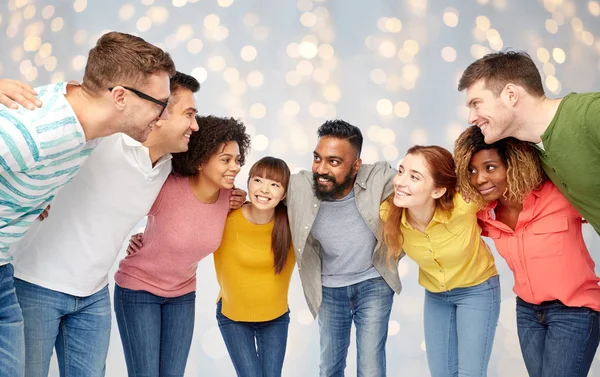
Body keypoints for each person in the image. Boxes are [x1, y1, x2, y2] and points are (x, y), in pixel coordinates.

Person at [0, 72, 246, 377]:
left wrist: (233, 196)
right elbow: (77, 100)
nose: (194, 125)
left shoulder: (171, 169)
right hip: (35, 285)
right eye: (189, 114)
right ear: (160, 112)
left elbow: (190, 202)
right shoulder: (107, 139)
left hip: (94, 295)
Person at [0, 31, 175, 377]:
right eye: (160, 104)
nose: (164, 116)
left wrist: (38, 197)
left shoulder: (88, 122)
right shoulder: (30, 134)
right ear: (121, 96)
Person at [454, 125, 600, 377]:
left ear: (513, 163)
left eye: (490, 167)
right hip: (528, 313)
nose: (479, 179)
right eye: (472, 171)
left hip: (575, 311)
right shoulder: (482, 214)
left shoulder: (559, 195)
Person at [114, 115, 251, 377]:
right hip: (138, 290)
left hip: (182, 295)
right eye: (226, 160)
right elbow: (122, 207)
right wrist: (139, 234)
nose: (235, 167)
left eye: (237, 160)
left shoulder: (230, 198)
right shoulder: (167, 185)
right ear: (200, 161)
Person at [285, 120, 401, 377]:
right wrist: (238, 198)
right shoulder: (300, 187)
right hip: (329, 289)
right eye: (317, 158)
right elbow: (265, 189)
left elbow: (418, 182)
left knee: (371, 368)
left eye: (334, 162)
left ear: (355, 165)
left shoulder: (378, 178)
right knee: (330, 368)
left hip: (374, 284)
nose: (321, 169)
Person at [381, 145, 499, 377]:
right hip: (436, 296)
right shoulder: (388, 213)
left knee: (470, 374)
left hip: (478, 290)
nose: (401, 182)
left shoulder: (464, 205)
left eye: (414, 177)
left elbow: (504, 189)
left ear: (437, 191)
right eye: (401, 171)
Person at [458, 50, 600, 235]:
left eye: (476, 104)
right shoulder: (533, 154)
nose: (471, 118)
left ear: (510, 94)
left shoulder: (591, 114)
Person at [214, 156, 295, 377]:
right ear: (247, 182)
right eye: (258, 180)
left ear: (285, 193)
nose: (264, 189)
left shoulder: (292, 226)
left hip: (276, 318)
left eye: (275, 184)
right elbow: (191, 218)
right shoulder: (226, 216)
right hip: (233, 317)